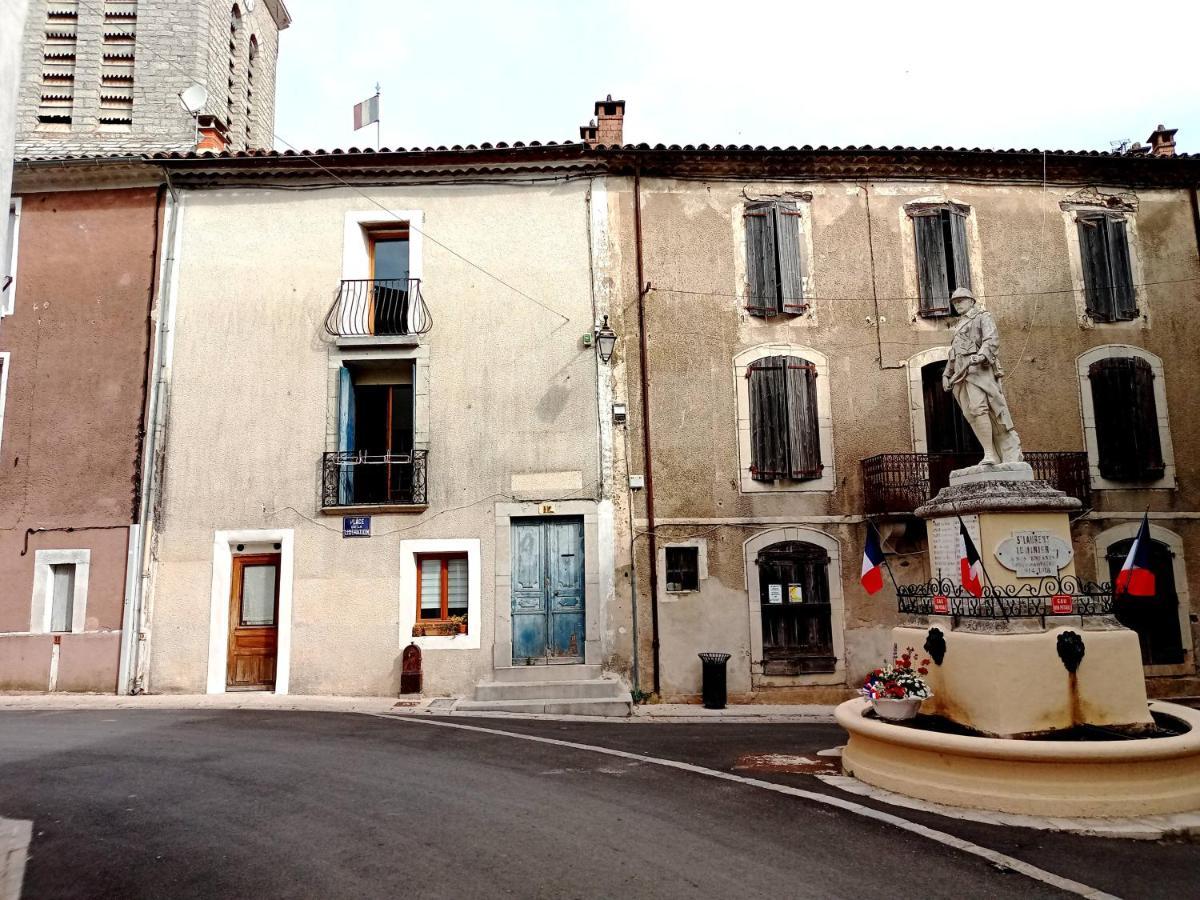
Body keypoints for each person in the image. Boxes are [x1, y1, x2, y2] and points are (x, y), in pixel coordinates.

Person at [941, 287, 1023, 465]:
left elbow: (991, 338)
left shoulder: (982, 316)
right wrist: (947, 373)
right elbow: (954, 353)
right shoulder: (959, 324)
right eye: (954, 302)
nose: (957, 304)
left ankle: (990, 455)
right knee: (971, 414)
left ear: (971, 301)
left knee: (980, 409)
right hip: (961, 374)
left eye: (961, 300)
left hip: (977, 370)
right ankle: (990, 452)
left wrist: (983, 354)